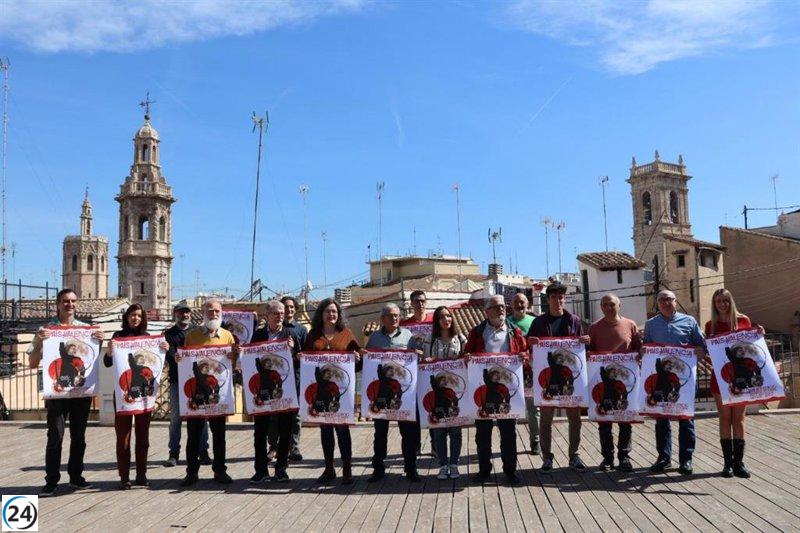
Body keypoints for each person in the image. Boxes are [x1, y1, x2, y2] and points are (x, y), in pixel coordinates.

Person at [28, 288, 106, 497]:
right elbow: (32, 363)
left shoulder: (86, 329)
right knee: (55, 436)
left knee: (79, 437)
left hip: (81, 393)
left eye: (73, 301)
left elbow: (92, 360)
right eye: (65, 301)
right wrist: (39, 342)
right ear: (58, 304)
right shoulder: (46, 330)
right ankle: (51, 481)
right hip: (57, 394)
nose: (69, 304)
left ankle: (76, 477)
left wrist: (100, 341)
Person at [103, 303, 168, 489]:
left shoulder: (147, 338)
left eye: (139, 315)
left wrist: (164, 348)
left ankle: (141, 474)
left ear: (143, 318)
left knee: (143, 436)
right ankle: (124, 477)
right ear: (127, 317)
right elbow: (107, 363)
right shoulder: (118, 336)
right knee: (123, 437)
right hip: (123, 393)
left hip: (144, 396)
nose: (135, 318)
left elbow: (157, 363)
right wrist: (110, 351)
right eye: (132, 315)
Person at [464, 294, 527, 485]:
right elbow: (467, 353)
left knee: (508, 433)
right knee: (483, 434)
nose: (501, 309)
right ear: (487, 311)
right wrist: (467, 357)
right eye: (497, 306)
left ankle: (510, 471)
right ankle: (484, 471)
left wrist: (523, 357)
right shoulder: (477, 332)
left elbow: (524, 352)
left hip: (506, 389)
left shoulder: (514, 331)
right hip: (484, 389)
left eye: (503, 307)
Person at [528, 282, 591, 472]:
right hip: (548, 379)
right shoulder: (538, 322)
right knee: (545, 421)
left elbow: (583, 348)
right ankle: (547, 457)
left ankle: (574, 456)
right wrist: (530, 342)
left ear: (565, 299)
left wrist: (586, 341)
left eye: (561, 297)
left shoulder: (575, 320)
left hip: (569, 379)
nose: (558, 300)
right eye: (554, 297)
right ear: (548, 300)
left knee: (575, 420)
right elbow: (528, 345)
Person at [644, 289, 705, 475]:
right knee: (661, 420)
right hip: (661, 380)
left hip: (684, 380)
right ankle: (664, 458)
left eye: (669, 299)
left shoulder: (690, 321)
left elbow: (701, 345)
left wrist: (699, 351)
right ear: (657, 303)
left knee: (686, 419)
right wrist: (644, 352)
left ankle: (686, 459)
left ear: (675, 302)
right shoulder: (650, 325)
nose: (665, 302)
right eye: (661, 300)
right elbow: (647, 348)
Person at [180, 298, 239, 487]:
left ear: (221, 313)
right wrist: (179, 358)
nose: (213, 314)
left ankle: (220, 470)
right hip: (197, 393)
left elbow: (234, 363)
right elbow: (186, 361)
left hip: (218, 395)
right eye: (210, 310)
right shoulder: (192, 336)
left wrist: (234, 356)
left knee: (219, 435)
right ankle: (192, 472)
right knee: (193, 435)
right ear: (203, 313)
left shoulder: (228, 336)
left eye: (216, 311)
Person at [705, 288, 762, 479]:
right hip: (721, 377)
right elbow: (710, 353)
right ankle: (727, 464)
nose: (722, 304)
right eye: (718, 301)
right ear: (714, 304)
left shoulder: (743, 321)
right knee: (724, 418)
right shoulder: (710, 326)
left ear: (731, 302)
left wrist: (759, 334)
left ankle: (739, 463)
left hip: (743, 377)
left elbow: (752, 346)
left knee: (739, 418)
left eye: (725, 300)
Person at [304, 298, 361, 484]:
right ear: (321, 314)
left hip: (340, 391)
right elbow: (305, 360)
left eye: (334, 311)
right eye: (328, 311)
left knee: (343, 430)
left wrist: (357, 357)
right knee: (326, 430)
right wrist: (301, 357)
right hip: (320, 391)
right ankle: (329, 468)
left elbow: (358, 360)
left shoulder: (346, 333)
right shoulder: (313, 335)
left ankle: (347, 469)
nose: (331, 314)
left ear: (339, 314)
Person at [366, 303, 421, 482]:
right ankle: (378, 469)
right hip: (382, 393)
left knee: (408, 434)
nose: (394, 318)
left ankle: (411, 469)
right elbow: (368, 359)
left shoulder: (408, 335)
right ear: (382, 318)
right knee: (380, 434)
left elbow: (414, 358)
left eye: (397, 315)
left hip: (402, 394)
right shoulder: (374, 337)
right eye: (390, 315)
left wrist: (417, 353)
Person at [587, 294, 642, 472]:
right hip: (603, 382)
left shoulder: (630, 324)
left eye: (611, 304)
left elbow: (638, 349)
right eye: (604, 305)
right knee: (604, 422)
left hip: (625, 382)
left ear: (619, 305)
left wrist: (641, 353)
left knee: (625, 421)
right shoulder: (594, 328)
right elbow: (589, 352)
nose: (608, 307)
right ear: (601, 307)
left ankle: (624, 457)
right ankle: (607, 458)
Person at [249, 300, 297, 483]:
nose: (280, 316)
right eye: (276, 313)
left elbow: (300, 362)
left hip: (284, 389)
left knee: (285, 431)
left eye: (282, 313)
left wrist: (292, 350)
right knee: (260, 432)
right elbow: (250, 358)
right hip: (262, 389)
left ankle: (281, 469)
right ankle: (261, 470)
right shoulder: (258, 335)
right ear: (267, 315)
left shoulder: (290, 334)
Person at [422, 305, 466, 480]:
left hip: (455, 389)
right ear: (436, 321)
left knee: (455, 430)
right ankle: (442, 465)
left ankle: (454, 464)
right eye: (441, 317)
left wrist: (465, 358)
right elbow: (424, 363)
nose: (446, 319)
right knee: (439, 430)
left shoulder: (461, 338)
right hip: (437, 390)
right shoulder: (430, 340)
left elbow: (467, 357)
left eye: (448, 316)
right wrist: (427, 360)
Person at [163, 300, 209, 468]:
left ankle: (203, 451)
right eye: (181, 312)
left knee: (201, 416)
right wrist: (175, 357)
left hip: (197, 382)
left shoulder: (199, 332)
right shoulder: (169, 334)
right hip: (176, 381)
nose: (185, 314)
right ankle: (173, 453)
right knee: (176, 419)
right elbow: (169, 355)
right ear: (175, 314)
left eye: (187, 312)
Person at [400, 290, 433, 457]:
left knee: (433, 406)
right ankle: (416, 446)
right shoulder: (404, 324)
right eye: (417, 301)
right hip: (411, 372)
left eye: (423, 300)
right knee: (415, 411)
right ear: (411, 304)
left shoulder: (434, 321)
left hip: (431, 370)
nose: (420, 304)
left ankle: (435, 447)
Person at [508, 292, 539, 455]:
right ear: (511, 305)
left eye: (522, 302)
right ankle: (510, 442)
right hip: (510, 372)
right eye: (516, 302)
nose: (519, 305)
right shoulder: (506, 323)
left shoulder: (535, 322)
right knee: (511, 408)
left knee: (532, 409)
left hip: (530, 373)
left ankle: (536, 440)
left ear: (528, 304)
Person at [281, 295, 307, 461]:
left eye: (291, 307)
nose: (288, 309)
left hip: (296, 376)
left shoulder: (301, 330)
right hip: (278, 378)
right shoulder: (275, 328)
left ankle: (294, 447)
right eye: (285, 307)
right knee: (276, 414)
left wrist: (298, 354)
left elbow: (307, 353)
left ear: (295, 310)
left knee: (296, 415)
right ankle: (274, 447)